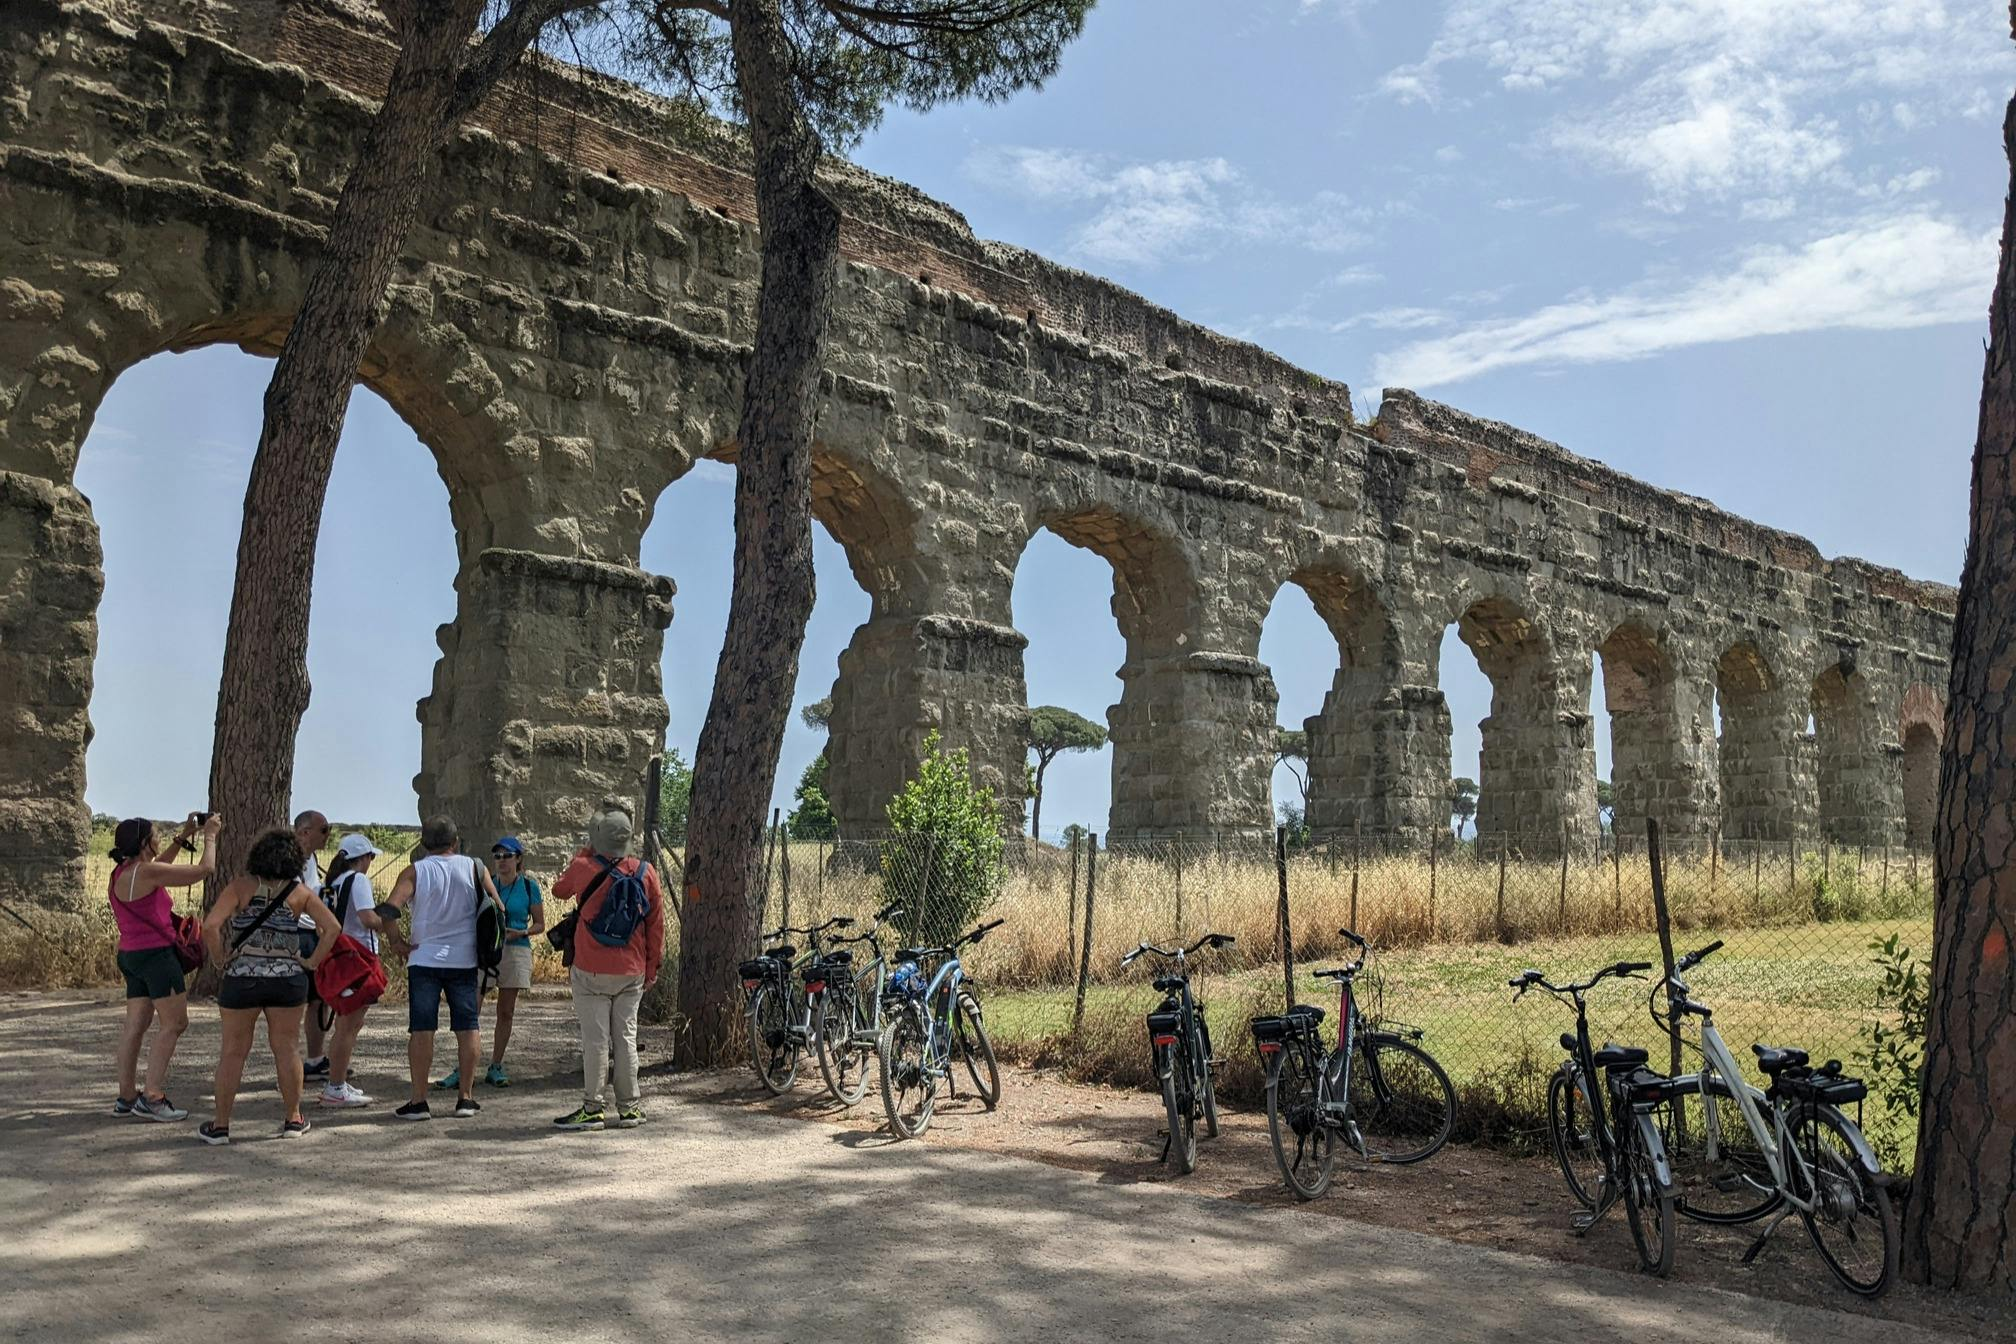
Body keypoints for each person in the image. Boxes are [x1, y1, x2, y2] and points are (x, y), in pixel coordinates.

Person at [197, 828, 341, 1144]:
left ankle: (221, 1125)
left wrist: (221, 959)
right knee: (287, 1048)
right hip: (287, 979)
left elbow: (210, 926)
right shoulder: (300, 893)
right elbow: (332, 927)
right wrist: (312, 961)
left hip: (243, 977)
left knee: (233, 1052)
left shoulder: (239, 887)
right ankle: (293, 1118)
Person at [550, 802, 664, 1132]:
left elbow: (559, 891)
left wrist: (588, 850)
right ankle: (630, 1109)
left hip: (590, 967)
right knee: (625, 1037)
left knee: (596, 1041)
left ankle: (592, 1108)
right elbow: (656, 925)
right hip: (631, 968)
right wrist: (651, 966)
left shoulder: (584, 866)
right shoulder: (645, 871)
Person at [380, 815, 501, 1121]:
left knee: (422, 1029)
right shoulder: (476, 867)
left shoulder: (416, 871)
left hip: (424, 959)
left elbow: (390, 909)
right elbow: (498, 907)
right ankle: (466, 1098)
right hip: (464, 959)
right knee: (468, 1027)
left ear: (423, 844)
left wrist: (397, 941)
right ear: (455, 842)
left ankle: (419, 1101)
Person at [107, 812, 223, 1121]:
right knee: (174, 1024)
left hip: (132, 955)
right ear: (146, 844)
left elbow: (162, 867)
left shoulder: (123, 872)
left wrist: (184, 834)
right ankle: (153, 1097)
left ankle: (127, 1096)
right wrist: (209, 836)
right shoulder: (145, 873)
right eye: (157, 835)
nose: (161, 839)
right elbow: (205, 869)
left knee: (135, 1026)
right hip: (156, 956)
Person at [317, 832, 389, 1107]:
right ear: (363, 858)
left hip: (340, 956)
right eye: (371, 857)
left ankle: (338, 1082)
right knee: (348, 1026)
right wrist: (388, 919)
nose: (371, 862)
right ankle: (335, 1087)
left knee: (347, 1023)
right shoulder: (357, 880)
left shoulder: (332, 883)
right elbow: (368, 918)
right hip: (358, 957)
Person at [483, 836, 542, 1087]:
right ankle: (462, 1064)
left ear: (518, 859)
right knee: (470, 1008)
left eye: (507, 856)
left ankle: (496, 1064)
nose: (501, 861)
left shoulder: (530, 887)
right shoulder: (487, 885)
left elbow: (540, 924)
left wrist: (523, 933)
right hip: (487, 950)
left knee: (505, 1011)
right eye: (497, 856)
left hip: (516, 949)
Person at [292, 809, 333, 1083]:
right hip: (298, 934)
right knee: (295, 1002)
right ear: (305, 832)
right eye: (324, 830)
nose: (328, 835)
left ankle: (315, 1060)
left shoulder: (311, 858)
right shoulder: (289, 861)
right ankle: (291, 1064)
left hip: (313, 933)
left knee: (319, 999)